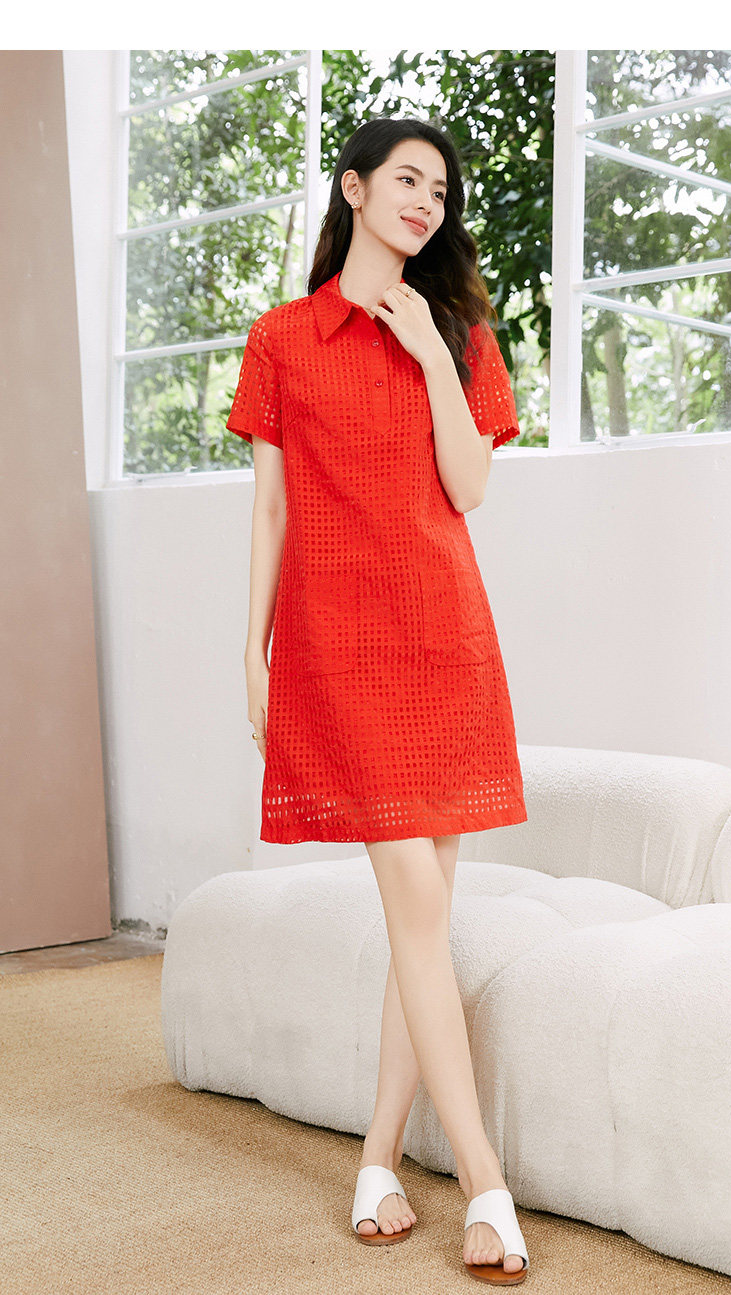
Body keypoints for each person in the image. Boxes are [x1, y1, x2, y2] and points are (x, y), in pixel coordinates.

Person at [226, 115, 530, 1284]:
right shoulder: (282, 339)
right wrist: (251, 649)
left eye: (439, 190)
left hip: (444, 642)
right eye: (407, 179)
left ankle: (375, 1157)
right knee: (414, 900)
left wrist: (432, 357)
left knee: (423, 920)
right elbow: (271, 508)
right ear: (352, 188)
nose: (425, 201)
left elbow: (469, 486)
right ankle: (486, 1182)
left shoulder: (458, 332)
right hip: (338, 651)